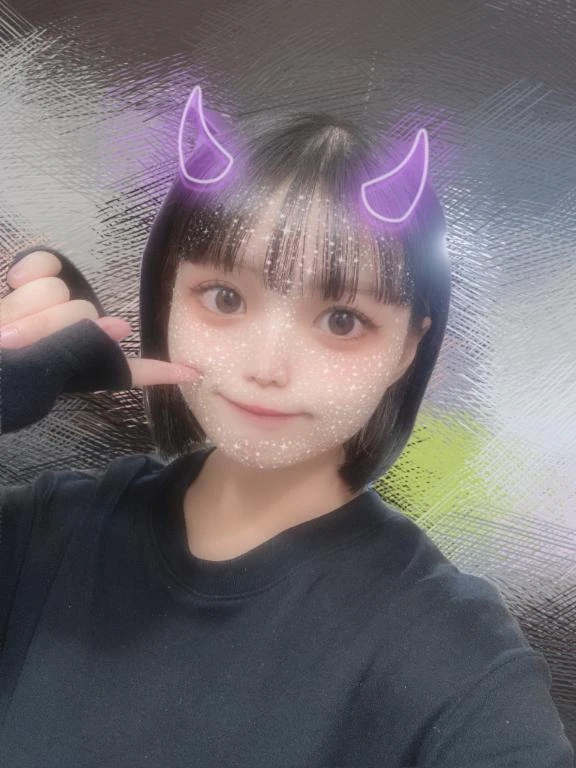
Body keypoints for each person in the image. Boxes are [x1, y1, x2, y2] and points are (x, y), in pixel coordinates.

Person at [0, 94, 573, 767]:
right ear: (168, 296)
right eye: (225, 298)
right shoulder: (45, 534)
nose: (267, 367)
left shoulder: (451, 658)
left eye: (341, 320)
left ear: (407, 349)